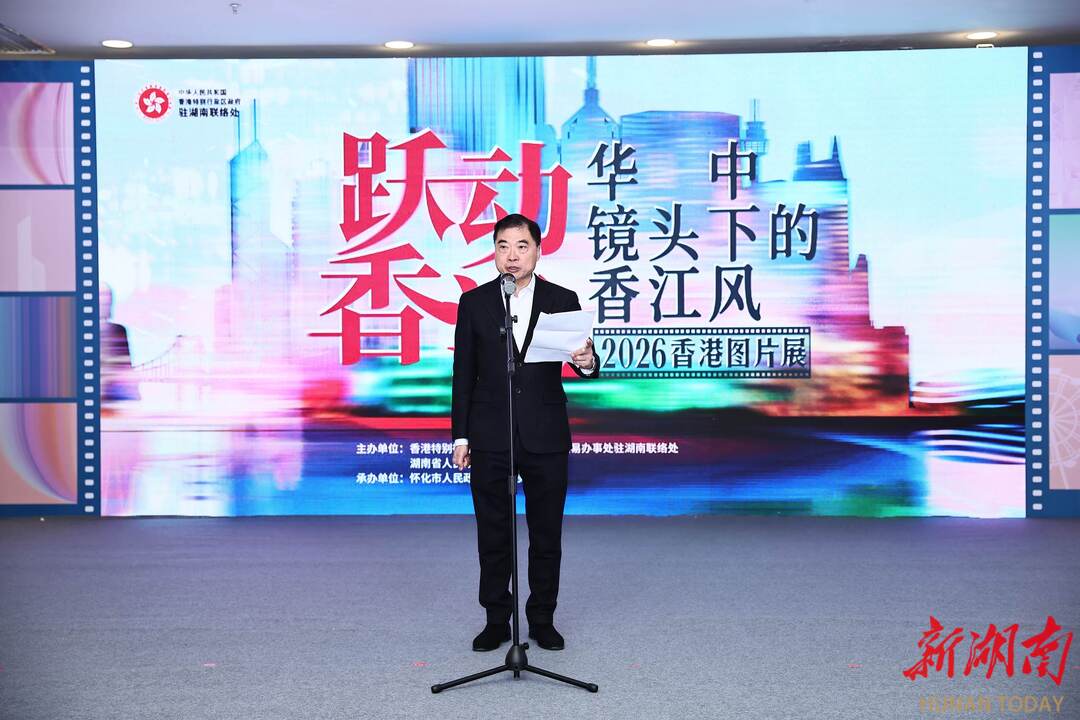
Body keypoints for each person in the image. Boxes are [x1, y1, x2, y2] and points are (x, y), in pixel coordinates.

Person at [451, 213, 599, 652]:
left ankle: (542, 618)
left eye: (521, 246)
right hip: (490, 433)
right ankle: (496, 618)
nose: (512, 256)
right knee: (493, 533)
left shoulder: (562, 298)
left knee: (546, 533)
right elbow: (463, 374)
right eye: (503, 246)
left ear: (538, 250)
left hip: (545, 432)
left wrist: (587, 360)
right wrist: (461, 436)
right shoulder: (475, 302)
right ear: (494, 252)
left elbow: (584, 363)